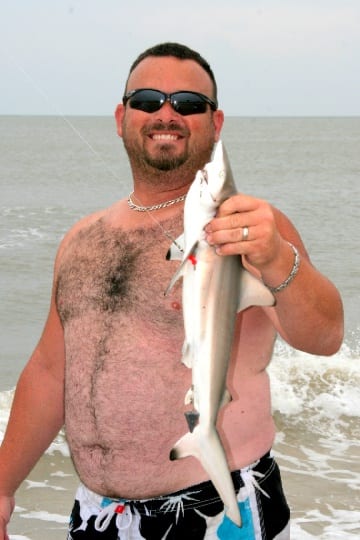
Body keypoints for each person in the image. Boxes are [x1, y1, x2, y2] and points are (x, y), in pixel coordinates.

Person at [0, 42, 343, 540]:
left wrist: (277, 258)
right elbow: (51, 372)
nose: (167, 113)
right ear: (121, 117)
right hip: (97, 518)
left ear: (215, 123)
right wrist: (4, 486)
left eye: (188, 103)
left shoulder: (246, 227)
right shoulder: (80, 238)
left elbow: (325, 335)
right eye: (147, 100)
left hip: (218, 506)